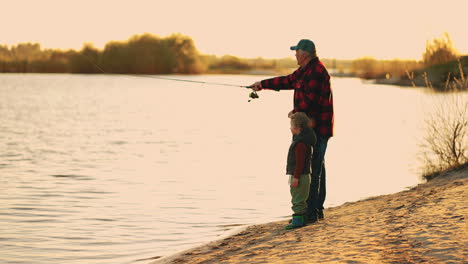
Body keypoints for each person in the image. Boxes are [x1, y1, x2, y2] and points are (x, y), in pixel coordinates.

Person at [251, 39, 334, 223]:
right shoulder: (305, 70)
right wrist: (262, 85)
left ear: (305, 53)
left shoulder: (317, 71)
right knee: (316, 167)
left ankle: (311, 213)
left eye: (297, 51)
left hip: (317, 129)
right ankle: (314, 210)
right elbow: (287, 81)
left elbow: (310, 102)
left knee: (313, 168)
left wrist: (296, 112)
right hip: (312, 128)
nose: (295, 54)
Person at [285, 112, 316, 229]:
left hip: (300, 175)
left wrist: (296, 177)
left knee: (297, 198)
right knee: (301, 198)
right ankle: (301, 219)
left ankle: (297, 221)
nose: (290, 128)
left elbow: (299, 163)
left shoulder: (300, 144)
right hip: (303, 175)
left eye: (291, 126)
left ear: (297, 128)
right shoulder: (304, 140)